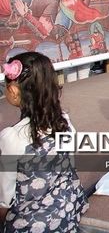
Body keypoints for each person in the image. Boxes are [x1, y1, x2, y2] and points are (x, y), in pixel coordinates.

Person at [0, 52, 88, 230]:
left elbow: (5, 199)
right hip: (68, 208)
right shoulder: (64, 122)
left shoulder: (12, 137)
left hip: (32, 223)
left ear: (14, 91)